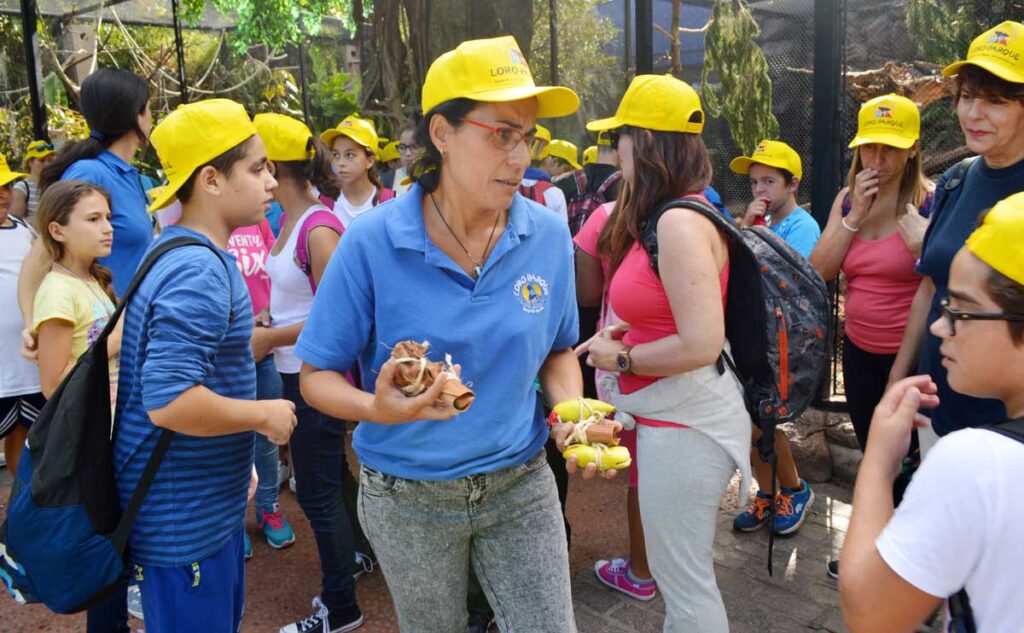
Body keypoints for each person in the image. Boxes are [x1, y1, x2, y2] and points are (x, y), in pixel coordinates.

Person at [294, 35, 598, 632]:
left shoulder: (547, 235)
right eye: (501, 133)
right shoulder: (372, 242)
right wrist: (377, 408)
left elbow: (559, 349)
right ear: (441, 133)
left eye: (528, 137)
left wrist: (572, 417)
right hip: (406, 496)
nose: (520, 156)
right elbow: (315, 378)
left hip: (521, 480)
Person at [113, 98, 296, 633]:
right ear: (212, 179)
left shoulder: (178, 249)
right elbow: (169, 401)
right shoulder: (199, 270)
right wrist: (261, 416)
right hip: (183, 528)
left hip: (190, 512)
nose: (271, 181)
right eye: (258, 168)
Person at [579, 74, 751, 633]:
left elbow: (700, 342)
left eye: (620, 137)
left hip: (687, 424)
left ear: (644, 142)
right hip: (671, 417)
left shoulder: (678, 221)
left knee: (686, 585)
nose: (613, 151)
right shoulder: (669, 212)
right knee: (683, 581)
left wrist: (620, 360)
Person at [840, 193, 1024, 632]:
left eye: (961, 310)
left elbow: (870, 615)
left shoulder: (978, 462)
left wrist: (879, 464)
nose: (940, 328)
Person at [252, 112, 368, 633]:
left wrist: (270, 336)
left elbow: (338, 318)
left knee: (317, 491)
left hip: (313, 379)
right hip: (294, 375)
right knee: (332, 480)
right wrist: (269, 322)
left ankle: (340, 609)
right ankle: (360, 556)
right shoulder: (291, 222)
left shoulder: (318, 228)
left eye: (256, 165)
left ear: (275, 167)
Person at [889, 21, 1024, 447]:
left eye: (996, 101)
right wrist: (899, 377)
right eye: (967, 97)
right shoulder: (955, 179)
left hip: (1005, 426)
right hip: (938, 407)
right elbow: (930, 287)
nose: (973, 113)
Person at [810, 96, 934, 452]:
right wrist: (854, 218)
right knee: (873, 450)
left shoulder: (930, 203)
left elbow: (945, 281)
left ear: (912, 149)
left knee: (909, 460)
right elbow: (820, 270)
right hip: (858, 350)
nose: (877, 160)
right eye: (869, 147)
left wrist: (923, 250)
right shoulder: (848, 200)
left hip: (913, 355)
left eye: (890, 149)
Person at [728, 140, 817, 534]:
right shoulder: (757, 220)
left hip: (782, 342)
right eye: (754, 183)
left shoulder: (802, 226)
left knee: (764, 419)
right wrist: (747, 226)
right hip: (752, 334)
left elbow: (780, 278)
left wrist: (752, 231)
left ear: (792, 183)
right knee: (749, 418)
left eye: (769, 181)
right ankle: (767, 492)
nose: (760, 190)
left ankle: (794, 489)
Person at [574, 198, 657, 602]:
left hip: (620, 356)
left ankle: (641, 571)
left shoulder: (605, 216)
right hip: (680, 361)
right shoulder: (695, 210)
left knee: (639, 471)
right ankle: (666, 560)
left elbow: (588, 294)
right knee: (666, 465)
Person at [31, 181, 119, 401]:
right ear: (57, 231)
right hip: (88, 427)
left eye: (108, 218)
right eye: (93, 219)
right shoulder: (57, 291)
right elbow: (53, 385)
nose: (108, 228)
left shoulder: (91, 281)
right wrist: (116, 340)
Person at [0, 154, 42, 477]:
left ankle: (17, 505)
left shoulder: (27, 230)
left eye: (7, 185)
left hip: (25, 363)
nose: (4, 192)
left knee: (22, 433)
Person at [320, 115, 394, 227]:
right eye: (336, 155)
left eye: (350, 155)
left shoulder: (391, 202)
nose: (341, 163)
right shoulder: (324, 203)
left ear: (369, 161)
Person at [519, 123, 568, 216]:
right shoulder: (555, 194)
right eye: (566, 169)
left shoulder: (501, 187)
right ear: (549, 160)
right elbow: (561, 230)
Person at [11, 140, 56, 219]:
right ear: (30, 162)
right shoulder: (22, 188)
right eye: (42, 160)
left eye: (50, 161)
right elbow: (16, 223)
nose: (47, 164)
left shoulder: (56, 184)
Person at [392, 123, 419, 196]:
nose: (408, 153)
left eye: (414, 147)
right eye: (402, 147)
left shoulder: (433, 180)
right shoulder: (388, 180)